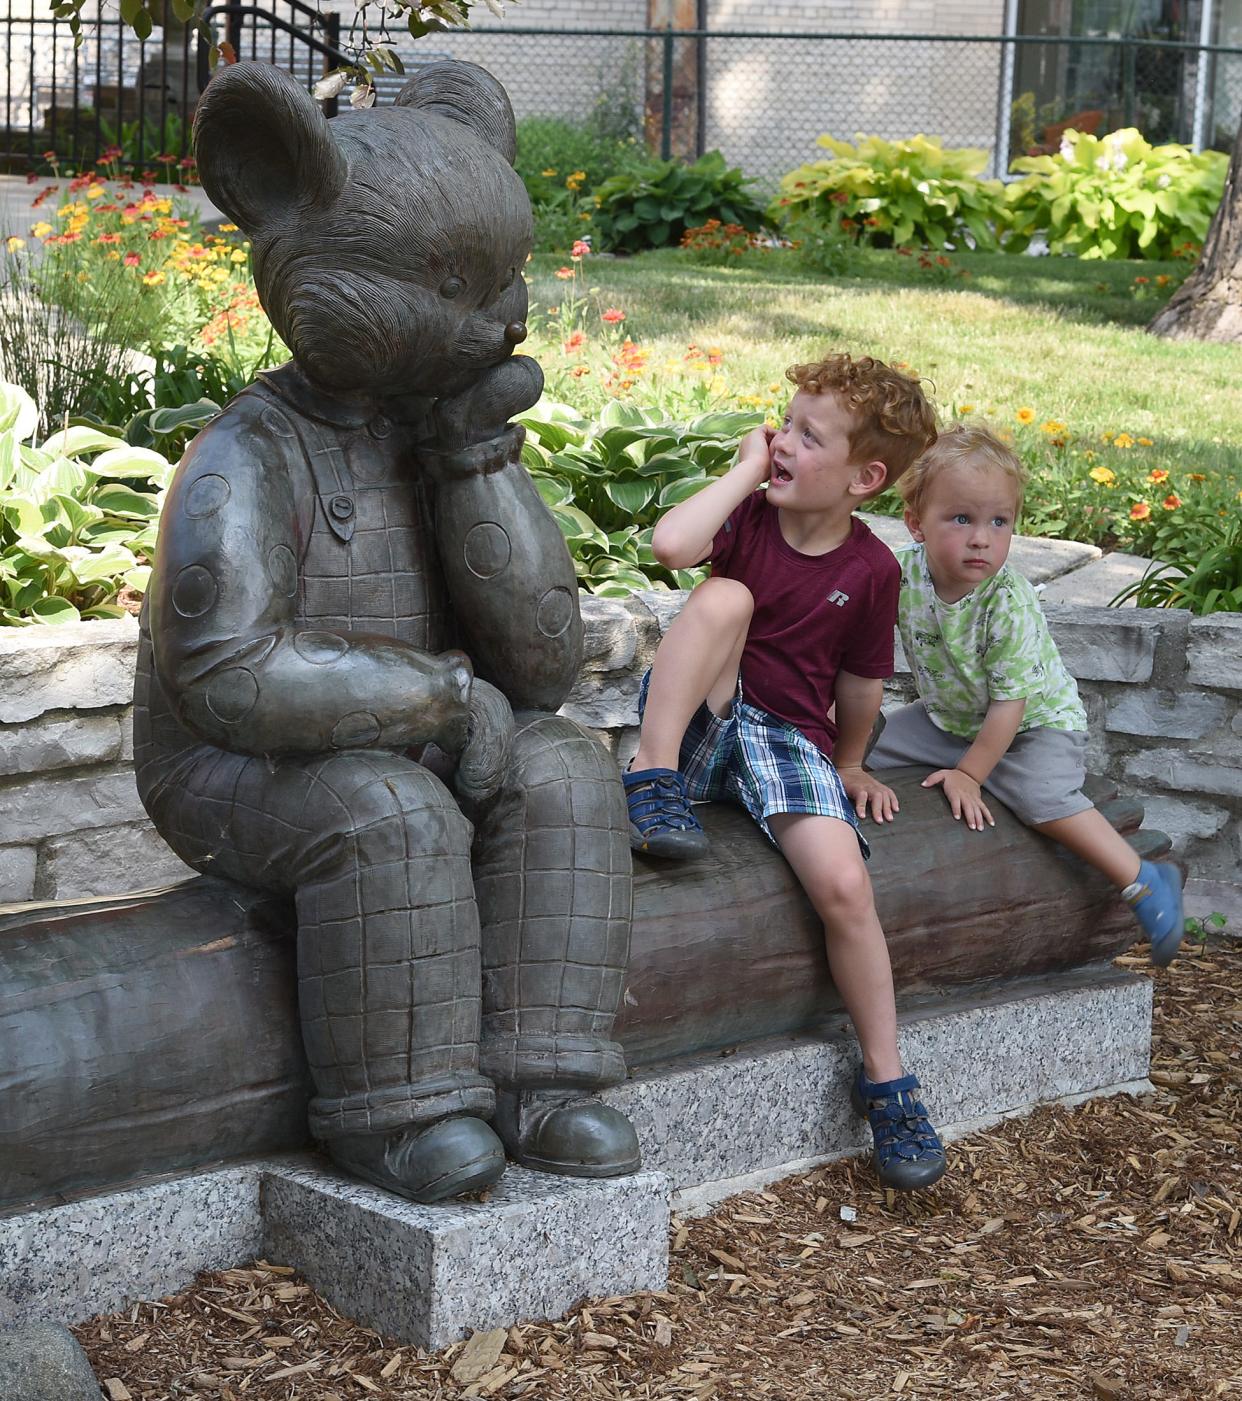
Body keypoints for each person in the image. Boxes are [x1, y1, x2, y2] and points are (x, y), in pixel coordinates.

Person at [622, 352, 946, 1192]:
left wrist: (850, 762)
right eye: (785, 424)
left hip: (786, 740)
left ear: (864, 478)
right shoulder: (750, 518)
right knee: (725, 597)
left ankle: (888, 1079)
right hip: (701, 713)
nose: (783, 442)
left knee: (845, 885)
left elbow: (862, 684)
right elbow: (670, 545)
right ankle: (650, 775)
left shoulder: (873, 570)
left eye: (808, 436)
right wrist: (741, 474)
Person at [867, 422, 1184, 966]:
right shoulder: (901, 572)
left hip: (1033, 725)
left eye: (999, 521)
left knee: (1042, 798)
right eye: (961, 518)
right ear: (916, 524)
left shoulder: (1006, 599)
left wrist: (970, 774)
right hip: (951, 719)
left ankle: (1142, 879)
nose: (981, 538)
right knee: (863, 752)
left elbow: (1010, 703)